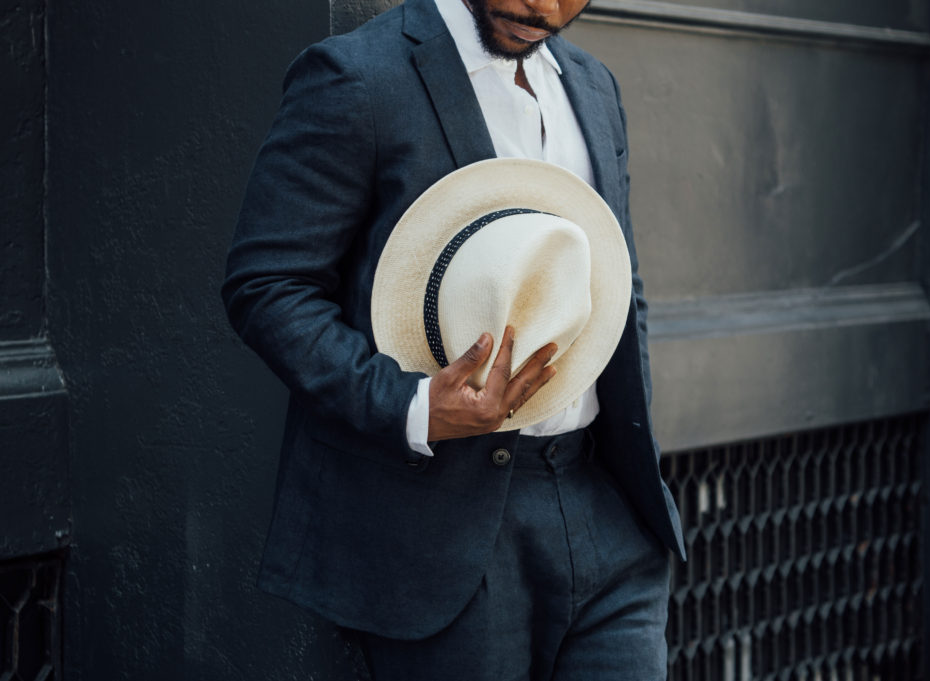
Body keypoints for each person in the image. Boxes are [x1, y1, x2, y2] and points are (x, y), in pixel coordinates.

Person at [222, 0, 685, 677]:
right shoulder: (357, 78)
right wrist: (411, 407)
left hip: (606, 513)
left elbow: (621, 282)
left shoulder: (593, 85)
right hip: (438, 532)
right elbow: (267, 285)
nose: (543, 7)